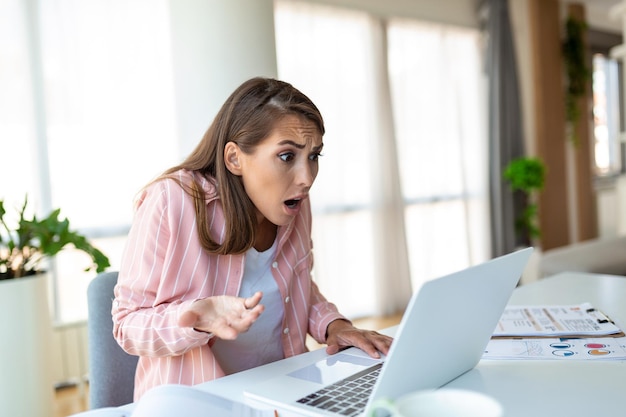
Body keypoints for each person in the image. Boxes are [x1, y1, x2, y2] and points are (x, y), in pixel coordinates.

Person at [112, 77, 393, 400]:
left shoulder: (294, 203)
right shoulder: (170, 201)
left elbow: (297, 286)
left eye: (314, 156)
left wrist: (335, 327)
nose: (306, 179)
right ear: (234, 158)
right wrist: (196, 317)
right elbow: (127, 324)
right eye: (287, 156)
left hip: (283, 391)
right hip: (196, 401)